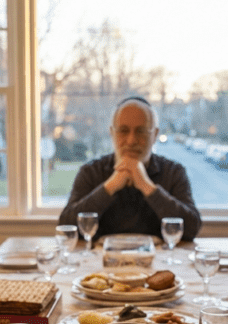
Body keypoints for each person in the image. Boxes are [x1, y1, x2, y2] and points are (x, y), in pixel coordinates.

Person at [58, 96, 201, 241]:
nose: (131, 140)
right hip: (102, 261)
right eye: (123, 130)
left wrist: (147, 187)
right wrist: (110, 186)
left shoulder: (174, 172)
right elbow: (66, 227)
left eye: (141, 131)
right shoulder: (90, 171)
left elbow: (191, 229)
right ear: (112, 133)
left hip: (157, 262)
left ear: (155, 135)